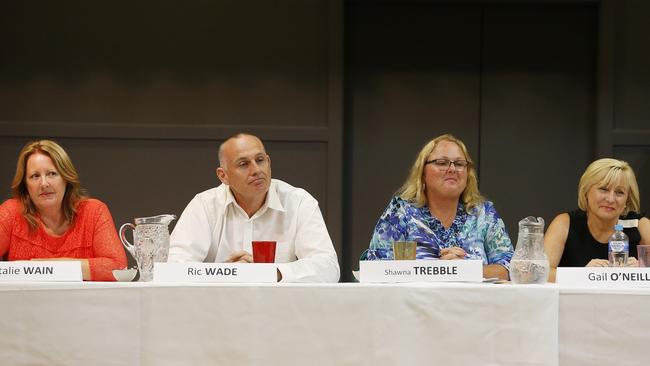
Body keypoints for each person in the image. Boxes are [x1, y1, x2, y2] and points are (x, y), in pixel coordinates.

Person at [168, 133, 340, 282]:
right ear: (223, 175)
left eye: (260, 160)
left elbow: (328, 267)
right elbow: (174, 266)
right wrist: (226, 273)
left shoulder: (299, 202)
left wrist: (272, 273)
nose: (256, 170)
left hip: (280, 311)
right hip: (216, 310)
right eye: (243, 164)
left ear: (268, 162)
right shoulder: (205, 205)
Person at [364, 134, 513, 280]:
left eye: (460, 164)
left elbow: (509, 267)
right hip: (415, 303)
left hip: (475, 303)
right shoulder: (401, 212)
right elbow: (375, 266)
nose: (452, 169)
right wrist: (443, 271)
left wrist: (468, 270)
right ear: (422, 173)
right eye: (442, 162)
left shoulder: (484, 214)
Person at [0, 140, 127, 281]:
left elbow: (118, 268)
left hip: (82, 302)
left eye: (52, 174)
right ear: (25, 185)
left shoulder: (94, 212)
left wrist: (46, 267)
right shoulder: (11, 212)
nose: (44, 183)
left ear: (66, 178)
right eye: (35, 176)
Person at [544, 158, 650, 282]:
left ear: (627, 199)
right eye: (603, 189)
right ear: (586, 191)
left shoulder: (640, 225)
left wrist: (643, 272)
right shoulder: (565, 223)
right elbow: (541, 273)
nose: (611, 199)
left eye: (619, 192)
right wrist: (583, 275)